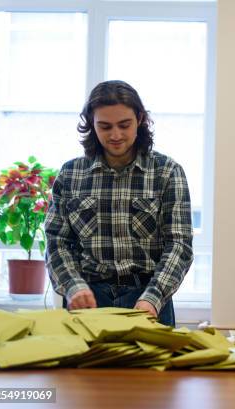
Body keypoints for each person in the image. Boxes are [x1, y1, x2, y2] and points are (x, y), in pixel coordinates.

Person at [45, 80, 193, 326]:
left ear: (140, 120)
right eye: (105, 126)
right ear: (91, 125)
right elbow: (57, 241)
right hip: (90, 299)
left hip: (149, 298)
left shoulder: (167, 172)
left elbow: (179, 245)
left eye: (124, 125)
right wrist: (73, 286)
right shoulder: (70, 174)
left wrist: (153, 298)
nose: (115, 135)